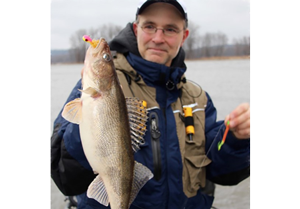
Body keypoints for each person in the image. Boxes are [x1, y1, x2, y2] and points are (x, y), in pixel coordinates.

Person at [51, 0, 250, 208]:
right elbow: (64, 175)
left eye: (170, 29)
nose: (158, 38)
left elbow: (223, 171)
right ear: (136, 29)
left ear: (184, 36)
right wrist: (90, 119)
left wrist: (236, 139)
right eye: (149, 26)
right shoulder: (99, 88)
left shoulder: (198, 99)